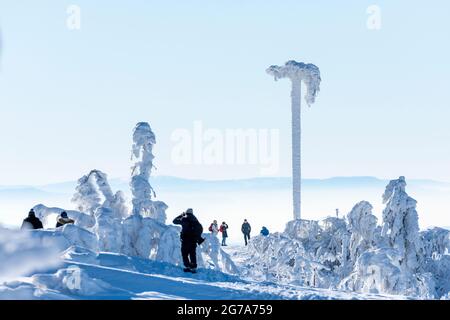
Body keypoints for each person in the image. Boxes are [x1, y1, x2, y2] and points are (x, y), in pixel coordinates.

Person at [173, 208, 204, 273]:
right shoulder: (196, 221)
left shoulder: (184, 219)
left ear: (186, 213)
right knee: (192, 254)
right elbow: (201, 229)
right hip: (193, 241)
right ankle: (193, 268)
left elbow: (174, 221)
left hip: (185, 240)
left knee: (184, 253)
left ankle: (187, 266)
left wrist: (181, 215)